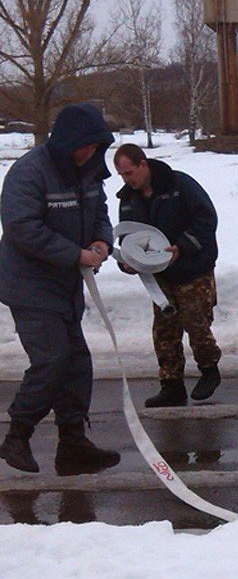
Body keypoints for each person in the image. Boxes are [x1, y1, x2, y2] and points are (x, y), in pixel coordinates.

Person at [0, 103, 121, 474]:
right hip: (29, 284)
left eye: (95, 146)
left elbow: (100, 214)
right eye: (84, 145)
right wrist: (76, 254)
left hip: (68, 284)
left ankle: (73, 445)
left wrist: (101, 243)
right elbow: (22, 228)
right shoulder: (30, 172)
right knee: (52, 359)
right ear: (68, 140)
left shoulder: (89, 173)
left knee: (77, 363)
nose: (89, 153)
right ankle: (17, 437)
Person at [113, 144, 221, 408]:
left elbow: (206, 219)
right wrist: (128, 262)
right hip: (160, 276)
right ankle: (171, 385)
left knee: (196, 324)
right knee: (165, 331)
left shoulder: (179, 184)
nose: (127, 180)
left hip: (193, 269)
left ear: (143, 164)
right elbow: (130, 239)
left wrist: (181, 247)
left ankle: (209, 370)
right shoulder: (128, 199)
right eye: (122, 175)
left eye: (129, 173)